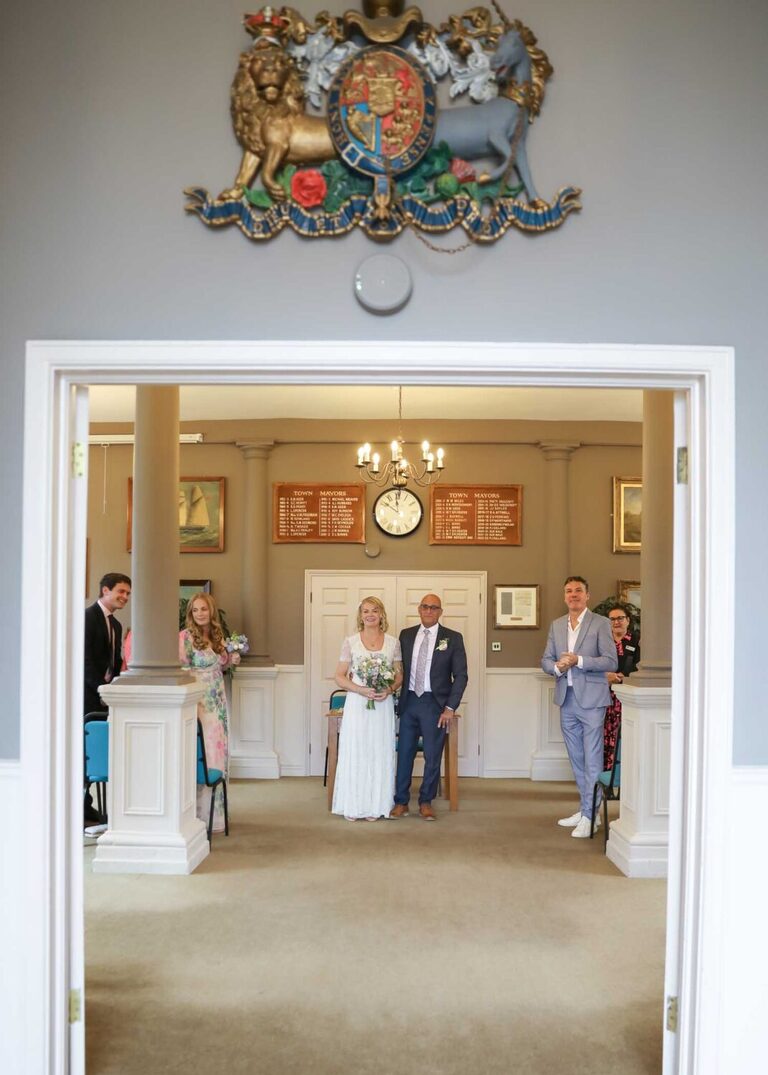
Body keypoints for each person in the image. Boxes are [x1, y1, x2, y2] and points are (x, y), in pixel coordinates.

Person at [541, 576, 617, 838]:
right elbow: (546, 659)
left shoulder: (601, 623)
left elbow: (610, 661)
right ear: (565, 596)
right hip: (567, 698)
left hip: (592, 700)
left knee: (592, 758)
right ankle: (586, 809)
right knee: (577, 759)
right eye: (569, 591)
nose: (573, 595)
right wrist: (556, 667)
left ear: (587, 595)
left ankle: (590, 816)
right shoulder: (557, 625)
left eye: (578, 591)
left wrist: (579, 661)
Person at [390, 594, 468, 821]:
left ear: (440, 612)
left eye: (434, 608)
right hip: (409, 702)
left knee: (432, 756)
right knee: (404, 754)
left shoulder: (453, 638)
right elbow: (397, 669)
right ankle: (401, 802)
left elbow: (461, 676)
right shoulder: (405, 635)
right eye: (425, 606)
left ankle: (426, 802)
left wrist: (450, 707)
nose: (429, 611)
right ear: (419, 609)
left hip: (435, 705)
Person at [332, 597, 403, 821]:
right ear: (360, 616)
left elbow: (399, 675)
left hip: (382, 705)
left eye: (374, 610)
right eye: (365, 611)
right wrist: (360, 689)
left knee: (378, 750)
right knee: (357, 749)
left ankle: (376, 805)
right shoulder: (351, 642)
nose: (370, 614)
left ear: (381, 614)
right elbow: (339, 676)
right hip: (357, 703)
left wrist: (389, 689)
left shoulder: (393, 643)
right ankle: (354, 804)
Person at [179, 592, 240, 833]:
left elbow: (220, 666)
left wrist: (231, 659)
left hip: (218, 705)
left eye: (204, 609)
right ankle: (196, 817)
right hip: (199, 704)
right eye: (195, 610)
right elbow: (182, 672)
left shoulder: (217, 636)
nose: (200, 614)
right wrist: (191, 706)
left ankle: (215, 816)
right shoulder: (185, 638)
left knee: (217, 754)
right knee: (201, 754)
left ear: (211, 611)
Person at [83, 572, 132, 824]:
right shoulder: (87, 618)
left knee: (98, 753)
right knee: (84, 753)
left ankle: (86, 806)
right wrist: (101, 690)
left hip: (106, 697)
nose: (125, 597)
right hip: (86, 696)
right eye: (121, 591)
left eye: (128, 593)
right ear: (105, 590)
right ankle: (80, 806)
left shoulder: (116, 625)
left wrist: (115, 689)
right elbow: (84, 662)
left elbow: (114, 663)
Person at [603, 603, 641, 771]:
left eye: (620, 618)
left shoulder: (637, 641)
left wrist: (624, 677)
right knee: (604, 734)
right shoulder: (602, 641)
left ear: (628, 620)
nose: (616, 622)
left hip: (626, 697)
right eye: (612, 619)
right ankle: (606, 773)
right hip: (603, 696)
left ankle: (623, 773)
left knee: (624, 735)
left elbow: (641, 667)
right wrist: (605, 676)